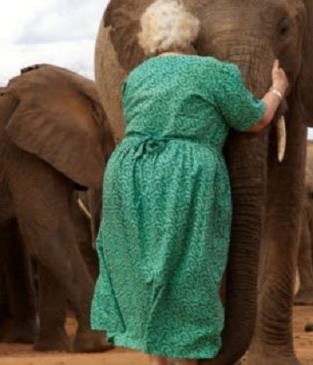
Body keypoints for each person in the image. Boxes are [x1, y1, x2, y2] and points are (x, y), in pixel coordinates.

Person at [90, 0, 290, 364]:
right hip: (186, 177)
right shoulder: (212, 72)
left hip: (130, 177)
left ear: (149, 40)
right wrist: (277, 89)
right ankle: (188, 358)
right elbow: (255, 120)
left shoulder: (136, 78)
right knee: (191, 271)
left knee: (149, 270)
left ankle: (159, 360)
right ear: (192, 33)